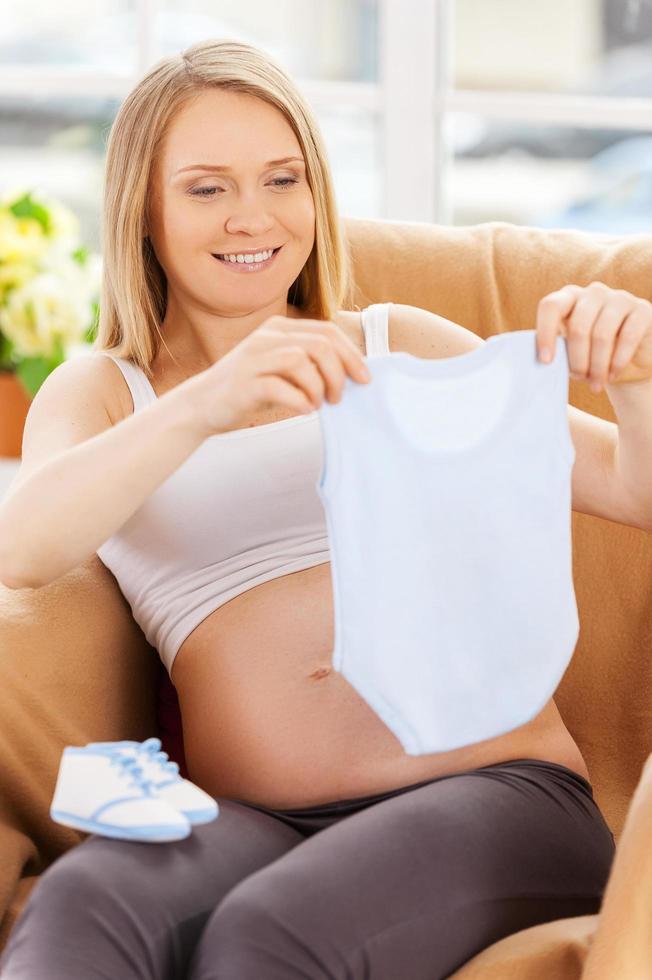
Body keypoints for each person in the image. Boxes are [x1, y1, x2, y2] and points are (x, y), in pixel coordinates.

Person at [3, 35, 652, 980]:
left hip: (496, 793)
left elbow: (635, 492)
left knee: (265, 941)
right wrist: (208, 403)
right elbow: (22, 548)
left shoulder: (400, 346)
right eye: (206, 187)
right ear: (141, 208)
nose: (251, 217)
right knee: (85, 906)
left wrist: (634, 383)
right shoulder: (107, 392)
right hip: (256, 822)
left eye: (282, 179)